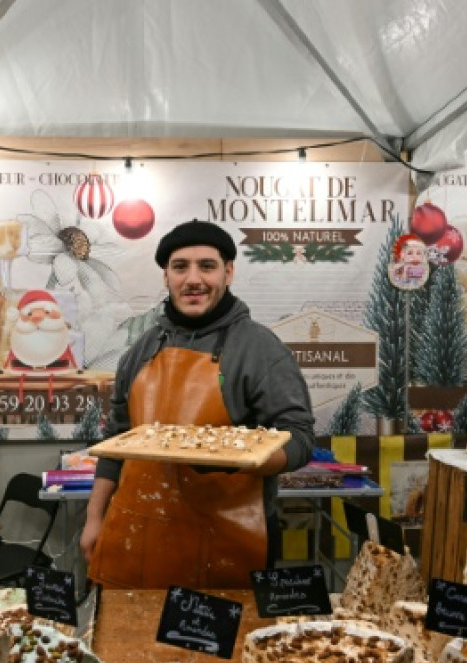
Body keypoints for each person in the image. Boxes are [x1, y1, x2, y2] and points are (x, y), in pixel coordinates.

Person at [81, 220, 315, 590]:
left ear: (229, 272)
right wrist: (94, 516)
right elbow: (116, 441)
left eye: (207, 266)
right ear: (166, 276)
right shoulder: (141, 349)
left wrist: (239, 459)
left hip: (228, 539)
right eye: (180, 267)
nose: (193, 279)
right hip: (140, 533)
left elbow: (300, 439)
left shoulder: (259, 349)